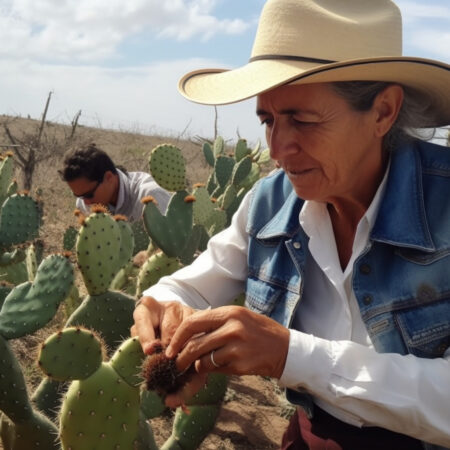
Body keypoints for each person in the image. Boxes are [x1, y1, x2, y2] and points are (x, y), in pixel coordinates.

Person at [132, 0, 450, 449]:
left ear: (383, 111)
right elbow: (191, 286)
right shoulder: (271, 202)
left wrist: (290, 355)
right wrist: (163, 307)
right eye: (268, 120)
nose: (278, 149)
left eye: (302, 119)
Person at [59, 143, 171, 222]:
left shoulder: (151, 197)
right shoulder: (83, 203)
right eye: (79, 196)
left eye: (89, 194)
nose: (87, 203)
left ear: (109, 178)